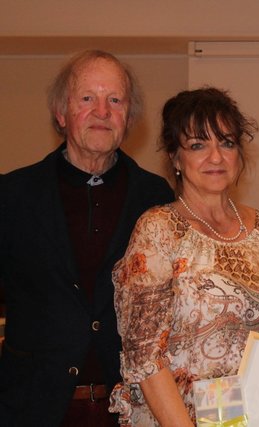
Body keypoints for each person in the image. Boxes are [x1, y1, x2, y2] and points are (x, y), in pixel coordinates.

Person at [108, 86, 259, 426]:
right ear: (176, 159)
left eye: (227, 142)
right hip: (191, 416)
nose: (216, 157)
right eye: (197, 145)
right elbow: (145, 355)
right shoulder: (160, 230)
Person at [0, 50, 174, 426]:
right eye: (86, 98)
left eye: (115, 100)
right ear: (61, 113)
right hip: (30, 409)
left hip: (130, 409)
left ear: (128, 118)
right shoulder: (11, 196)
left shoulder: (157, 197)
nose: (102, 111)